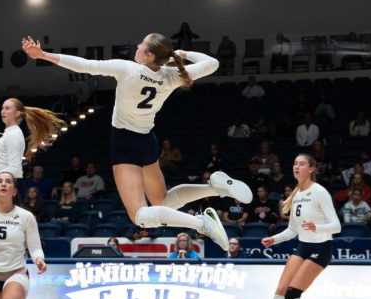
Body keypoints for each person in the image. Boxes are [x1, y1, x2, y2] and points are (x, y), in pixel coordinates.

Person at [23, 34, 248, 253]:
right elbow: (213, 63)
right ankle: (215, 188)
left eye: (141, 44)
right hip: (148, 141)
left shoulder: (128, 69)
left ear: (149, 55)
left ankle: (201, 224)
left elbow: (86, 65)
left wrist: (43, 55)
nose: (137, 46)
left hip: (125, 143)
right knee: (162, 202)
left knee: (140, 217)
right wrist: (181, 53)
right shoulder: (173, 75)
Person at [261, 153, 341, 299]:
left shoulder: (319, 192)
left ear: (311, 169)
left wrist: (317, 227)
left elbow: (336, 226)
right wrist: (274, 239)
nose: (297, 167)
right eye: (295, 163)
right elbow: (292, 231)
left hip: (322, 247)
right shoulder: (297, 194)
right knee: (279, 296)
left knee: (291, 296)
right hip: (303, 245)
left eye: (302, 164)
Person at [0, 98, 64, 189]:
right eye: (2, 108)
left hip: (9, 189)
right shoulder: (9, 132)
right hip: (3, 187)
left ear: (17, 113)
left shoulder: (14, 134)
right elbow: (3, 164)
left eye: (7, 108)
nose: (3, 111)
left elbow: (15, 170)